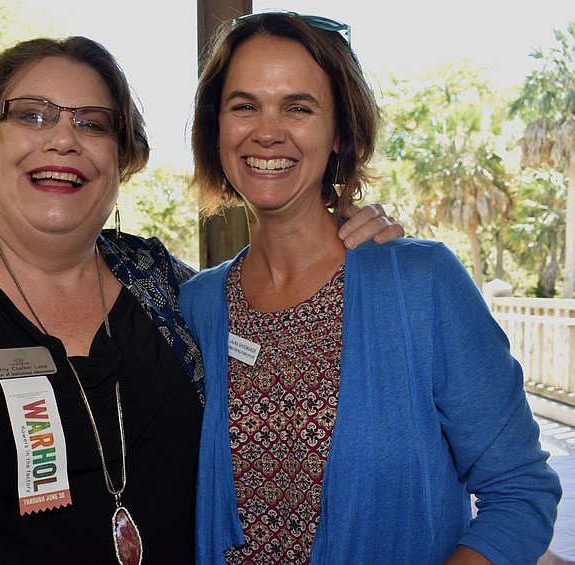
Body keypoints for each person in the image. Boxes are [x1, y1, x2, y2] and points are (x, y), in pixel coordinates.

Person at [0, 35, 399, 564]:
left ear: (122, 159)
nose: (63, 138)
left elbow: (281, 313)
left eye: (93, 123)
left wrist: (345, 240)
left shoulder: (168, 288)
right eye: (32, 113)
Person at [179, 11, 562, 565]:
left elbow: (520, 492)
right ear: (216, 127)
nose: (267, 131)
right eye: (244, 106)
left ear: (339, 133)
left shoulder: (420, 285)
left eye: (298, 107)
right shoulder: (197, 305)